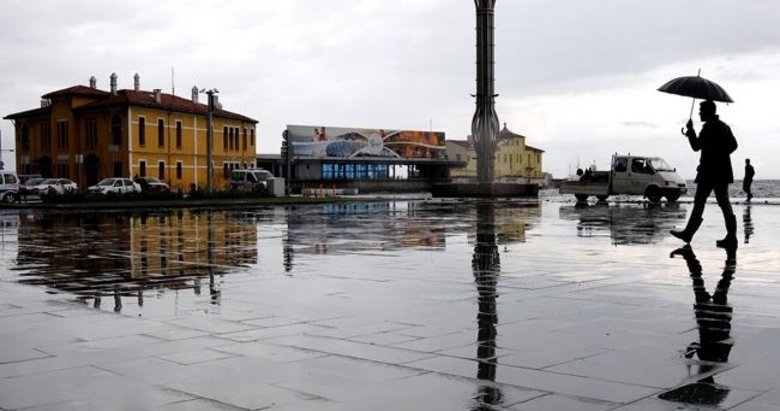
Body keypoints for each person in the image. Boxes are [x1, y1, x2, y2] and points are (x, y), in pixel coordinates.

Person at [671, 100, 738, 248]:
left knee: (700, 202)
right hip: (722, 171)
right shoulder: (724, 126)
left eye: (701, 111)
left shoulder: (708, 128)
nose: (699, 114)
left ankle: (688, 233)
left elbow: (696, 146)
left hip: (708, 171)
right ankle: (732, 237)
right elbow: (734, 145)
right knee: (724, 203)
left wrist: (690, 131)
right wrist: (721, 156)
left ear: (708, 111)